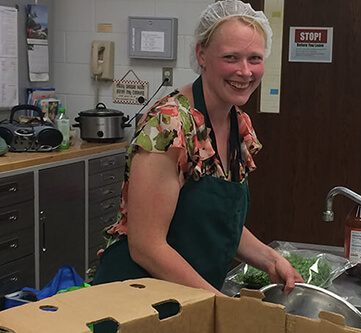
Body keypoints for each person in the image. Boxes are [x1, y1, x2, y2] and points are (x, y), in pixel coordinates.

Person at [93, 0, 303, 296]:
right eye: (231, 57)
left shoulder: (238, 126)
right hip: (136, 298)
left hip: (187, 296)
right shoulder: (169, 125)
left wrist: (271, 259)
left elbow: (217, 223)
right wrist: (219, 303)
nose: (245, 71)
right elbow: (147, 247)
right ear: (201, 54)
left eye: (254, 58)